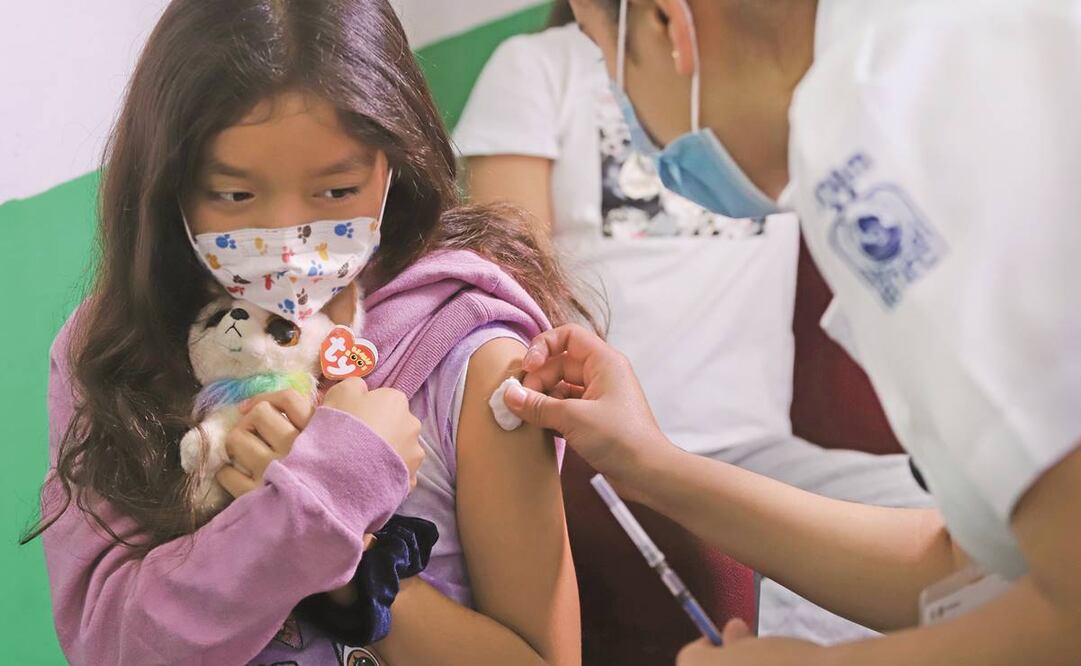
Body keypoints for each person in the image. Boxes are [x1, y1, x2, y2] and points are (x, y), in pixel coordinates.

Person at [501, 0, 1081, 664]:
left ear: (668, 24)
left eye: (608, 64)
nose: (625, 111)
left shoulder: (869, 107)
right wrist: (650, 466)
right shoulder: (947, 52)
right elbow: (967, 566)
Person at [23, 1, 583, 664]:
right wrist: (319, 504)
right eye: (234, 196)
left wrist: (345, 552)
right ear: (167, 186)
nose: (286, 242)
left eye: (336, 190)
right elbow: (113, 647)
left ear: (394, 164)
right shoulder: (114, 350)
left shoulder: (472, 352)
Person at [454, 0, 929, 645]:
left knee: (952, 515)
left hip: (758, 450)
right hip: (604, 454)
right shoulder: (539, 67)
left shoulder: (783, 79)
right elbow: (507, 288)